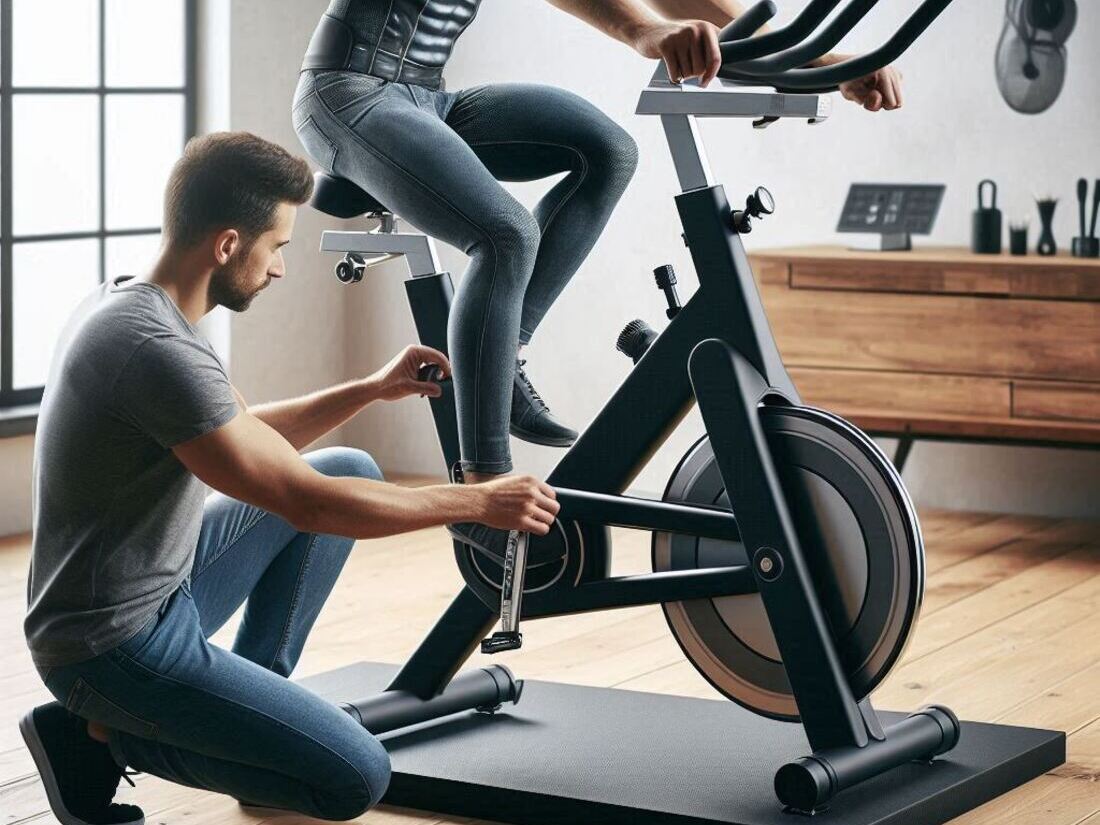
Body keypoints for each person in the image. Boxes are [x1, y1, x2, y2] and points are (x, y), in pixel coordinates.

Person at [20, 132, 560, 825]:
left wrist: (368, 387)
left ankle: (254, 723)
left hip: (157, 588)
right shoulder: (151, 347)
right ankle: (97, 738)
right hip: (107, 648)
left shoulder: (140, 306)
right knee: (356, 777)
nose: (278, 269)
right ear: (226, 244)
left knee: (350, 462)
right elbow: (303, 502)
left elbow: (247, 433)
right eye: (275, 247)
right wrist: (480, 501)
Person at [292, 0, 904, 559]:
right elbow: (649, 16)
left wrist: (821, 63)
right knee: (507, 235)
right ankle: (481, 496)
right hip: (348, 96)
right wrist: (643, 30)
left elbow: (686, 6)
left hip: (429, 98)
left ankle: (502, 362)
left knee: (608, 150)